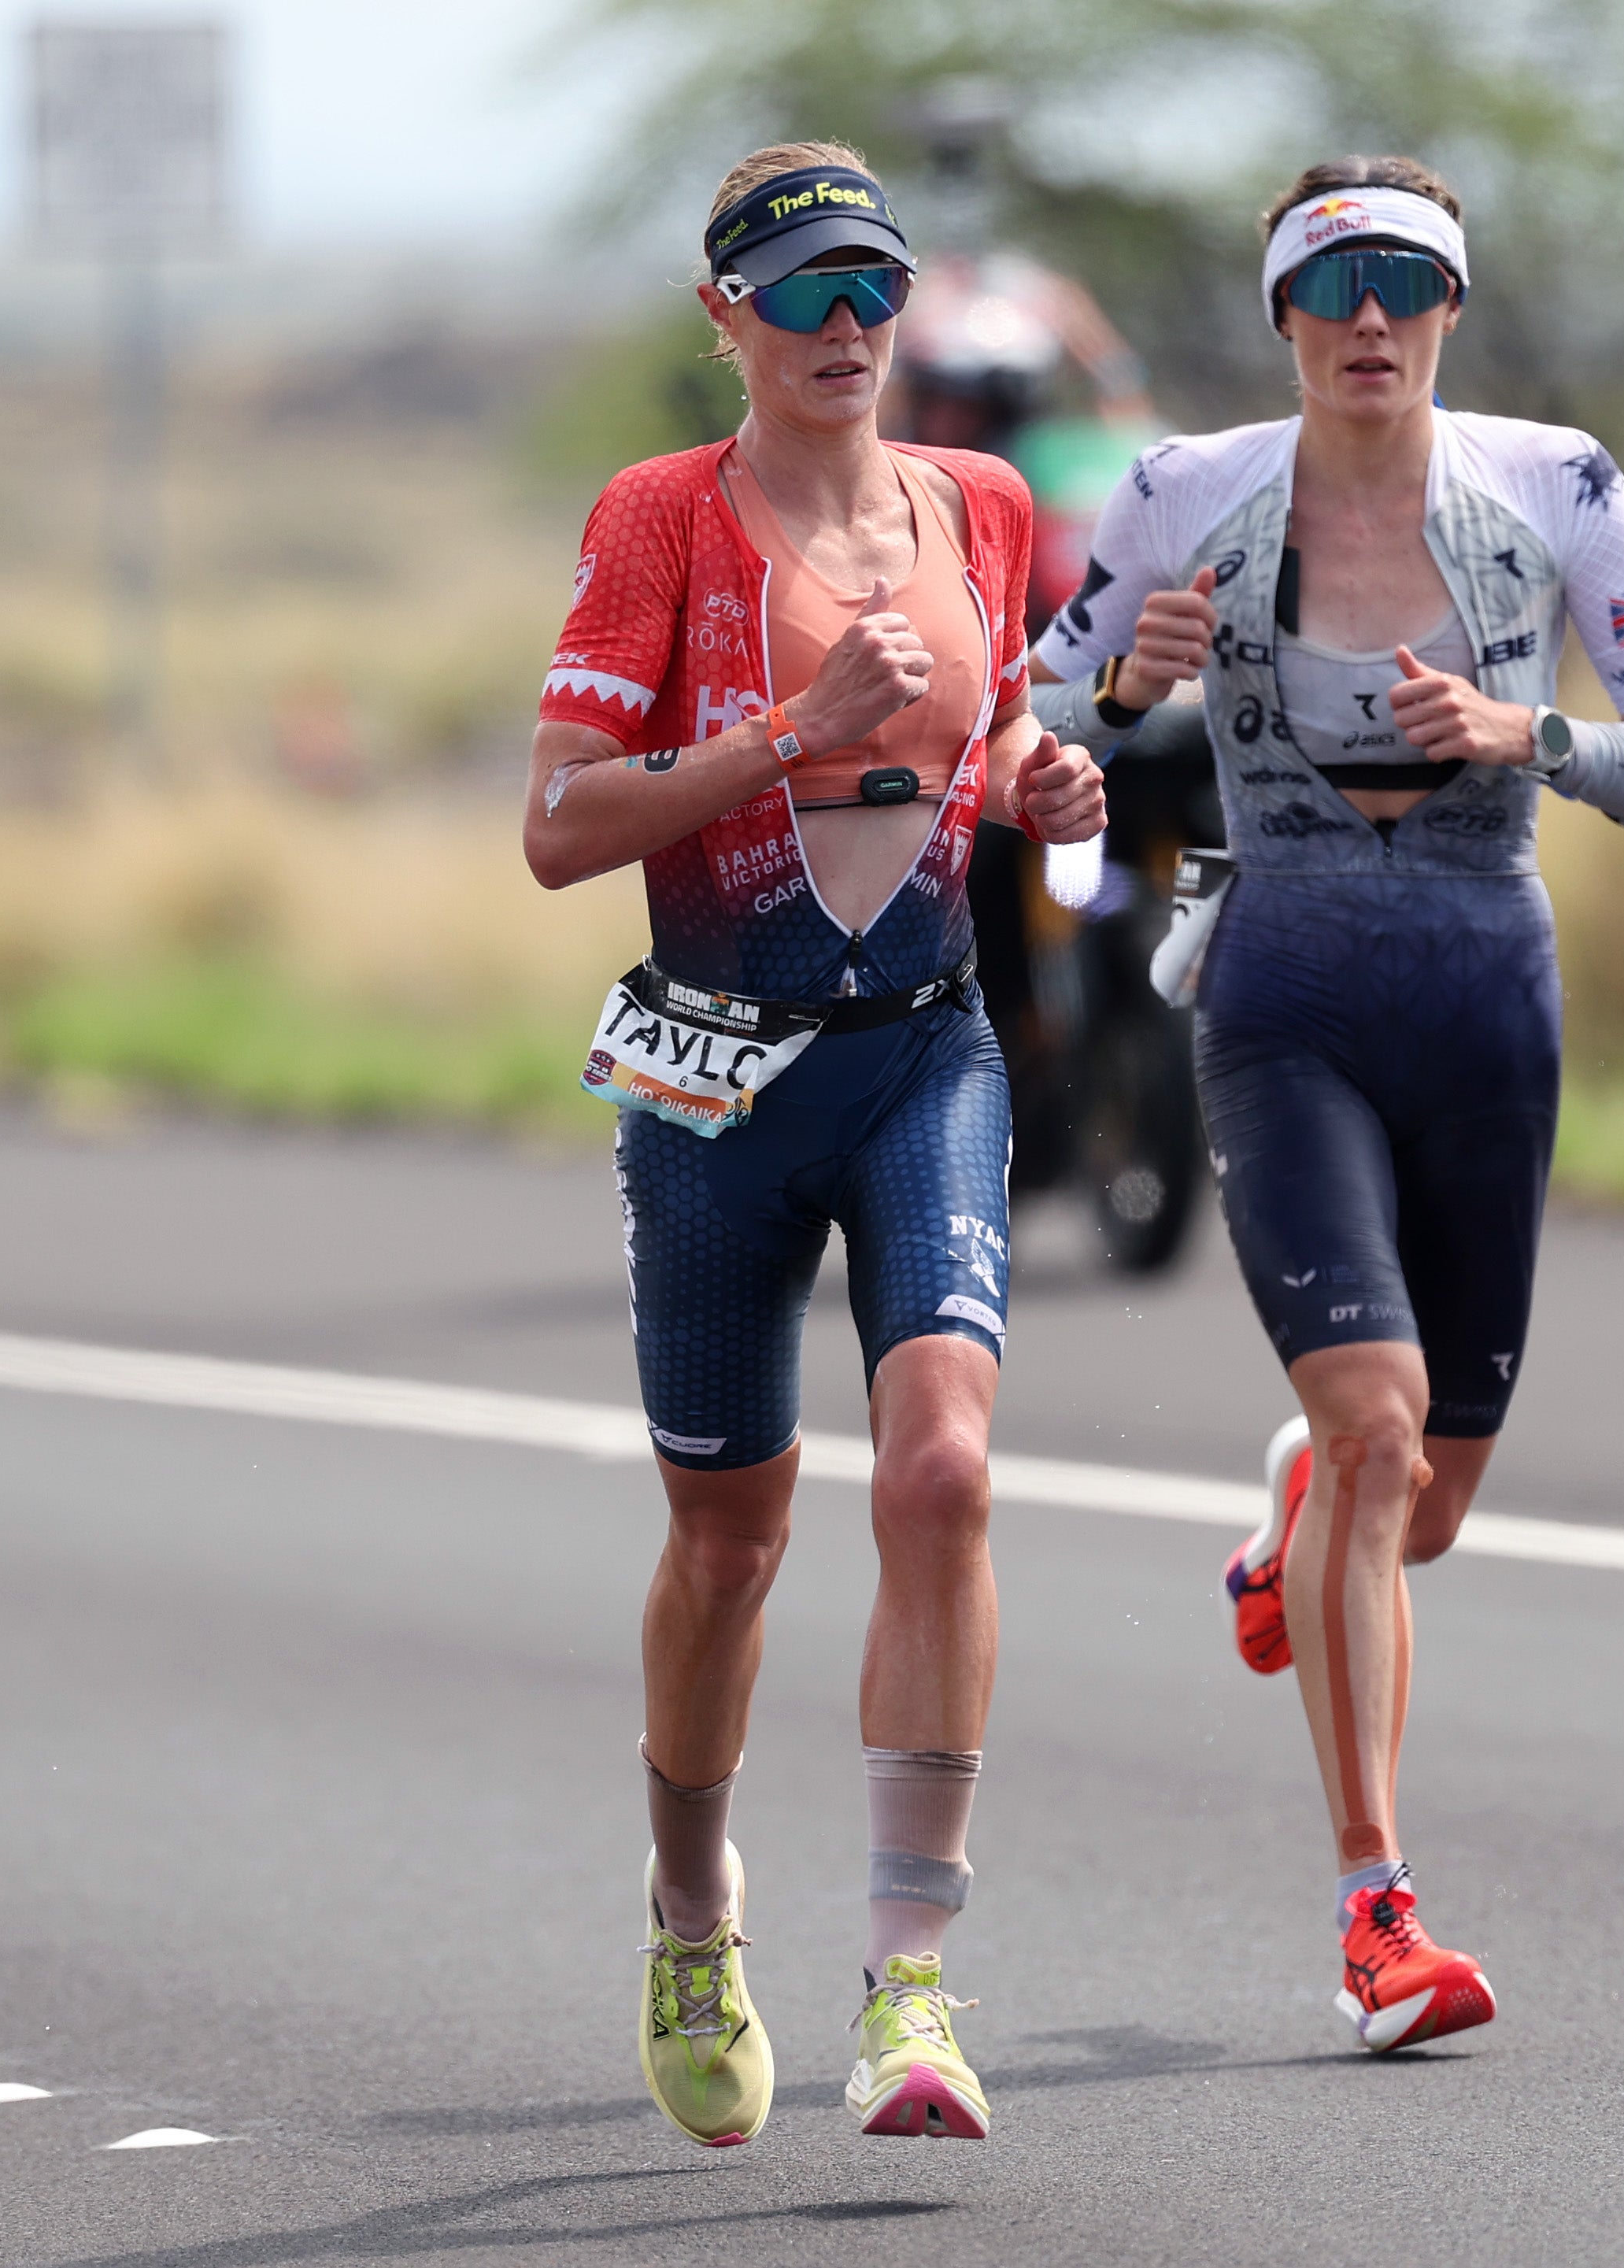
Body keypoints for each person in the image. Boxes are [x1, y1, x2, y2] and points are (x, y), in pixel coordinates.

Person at [1030, 156, 1624, 2052]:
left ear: (1448, 310)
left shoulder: (1562, 485)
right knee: (1378, 1419)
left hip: (1490, 992)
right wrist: (1117, 697)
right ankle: (1377, 1917)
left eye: (1404, 284)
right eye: (1332, 285)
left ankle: (1291, 1518)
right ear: (1282, 315)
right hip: (1288, 991)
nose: (1367, 320)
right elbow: (1025, 720)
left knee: (1412, 1507)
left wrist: (1539, 738)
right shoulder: (1185, 494)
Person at [520, 140, 1104, 2148]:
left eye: (874, 291)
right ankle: (695, 1911)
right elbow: (562, 826)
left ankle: (913, 1986)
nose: (846, 331)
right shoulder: (661, 520)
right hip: (716, 1082)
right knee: (732, 1537)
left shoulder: (986, 505)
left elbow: (990, 731)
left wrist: (1043, 777)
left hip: (921, 1053)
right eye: (802, 296)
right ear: (728, 319)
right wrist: (781, 732)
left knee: (941, 1471)